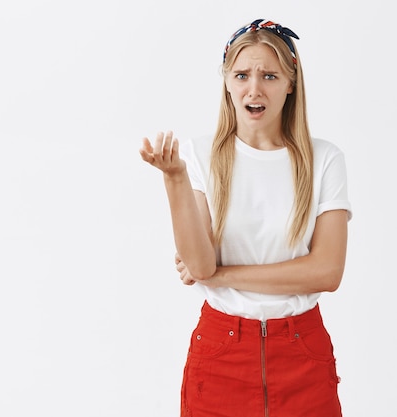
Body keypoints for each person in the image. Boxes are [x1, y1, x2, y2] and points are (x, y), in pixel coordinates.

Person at [138, 19, 351, 417]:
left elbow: (327, 272)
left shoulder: (324, 160)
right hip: (221, 352)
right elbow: (199, 264)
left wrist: (220, 275)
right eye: (242, 75)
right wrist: (175, 179)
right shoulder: (198, 156)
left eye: (269, 76)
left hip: (303, 352)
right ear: (227, 82)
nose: (254, 89)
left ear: (290, 83)